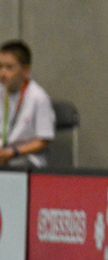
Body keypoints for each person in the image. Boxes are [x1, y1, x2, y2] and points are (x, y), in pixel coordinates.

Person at [0, 40, 55, 169]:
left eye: (9, 67)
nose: (2, 73)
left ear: (25, 70)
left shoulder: (38, 98)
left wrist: (13, 152)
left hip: (26, 159)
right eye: (0, 66)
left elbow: (43, 141)